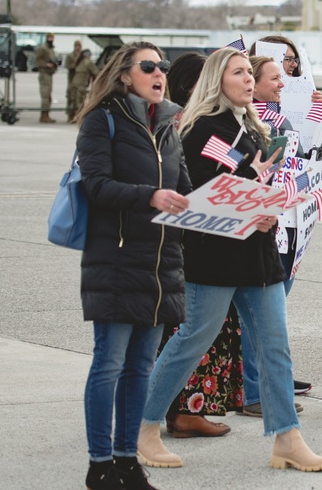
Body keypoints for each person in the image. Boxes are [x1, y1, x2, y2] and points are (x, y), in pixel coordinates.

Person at [138, 47, 322, 473]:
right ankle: (144, 427)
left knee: (274, 347)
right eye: (240, 72)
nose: (249, 79)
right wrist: (253, 201)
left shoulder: (250, 126)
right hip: (215, 257)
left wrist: (273, 197)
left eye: (250, 72)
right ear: (217, 80)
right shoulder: (206, 129)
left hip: (257, 256)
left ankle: (287, 437)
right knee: (192, 340)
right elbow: (207, 192)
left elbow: (246, 182)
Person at [75, 42, 192, 489]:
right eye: (149, 66)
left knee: (140, 367)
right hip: (117, 258)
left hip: (162, 262)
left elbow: (184, 190)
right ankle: (99, 464)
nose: (159, 72)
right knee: (109, 363)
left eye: (162, 65)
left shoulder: (167, 126)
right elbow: (97, 186)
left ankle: (127, 459)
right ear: (125, 75)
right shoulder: (102, 120)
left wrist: (240, 192)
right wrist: (149, 195)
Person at [153, 53, 240, 440]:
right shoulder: (191, 125)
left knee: (180, 330)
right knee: (195, 331)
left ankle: (167, 410)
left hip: (187, 242)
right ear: (196, 84)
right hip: (194, 244)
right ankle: (184, 410)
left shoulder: (184, 121)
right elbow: (228, 169)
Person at [241, 56, 322, 416]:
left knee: (272, 313)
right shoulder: (254, 120)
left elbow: (295, 166)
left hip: (294, 221)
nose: (282, 83)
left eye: (284, 76)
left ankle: (269, 382)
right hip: (269, 224)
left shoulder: (281, 118)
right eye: (274, 77)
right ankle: (255, 390)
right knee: (262, 315)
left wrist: (320, 149)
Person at [67, 40, 100, 122]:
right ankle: (78, 118)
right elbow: (96, 72)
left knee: (73, 101)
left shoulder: (79, 61)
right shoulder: (88, 62)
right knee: (80, 102)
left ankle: (71, 117)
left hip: (74, 83)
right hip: (81, 84)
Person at [35, 32, 59, 123]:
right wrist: (46, 64)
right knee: (45, 95)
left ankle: (47, 114)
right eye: (49, 38)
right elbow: (37, 60)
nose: (51, 39)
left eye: (52, 38)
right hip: (44, 73)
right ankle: (43, 115)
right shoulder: (43, 48)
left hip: (50, 74)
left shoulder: (51, 48)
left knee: (49, 95)